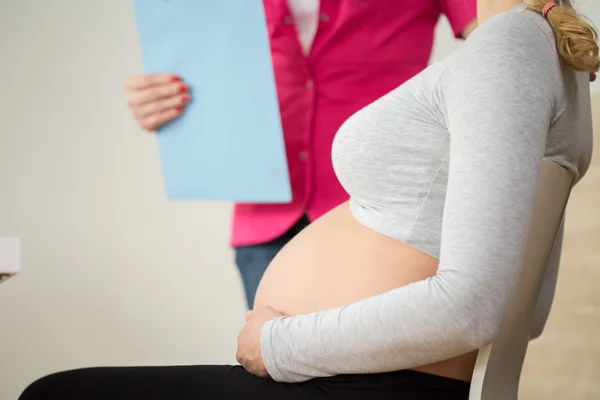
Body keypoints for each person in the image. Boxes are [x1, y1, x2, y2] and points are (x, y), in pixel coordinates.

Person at [19, 0, 597, 399]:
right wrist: (163, 100)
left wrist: (275, 344)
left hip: (387, 273)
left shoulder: (508, 51)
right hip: (273, 206)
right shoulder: (527, 51)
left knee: (51, 396)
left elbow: (471, 306)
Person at [123, 1, 478, 309]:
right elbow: (199, 55)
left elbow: (498, 40)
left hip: (386, 211)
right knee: (278, 378)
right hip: (264, 219)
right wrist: (160, 98)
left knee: (379, 381)